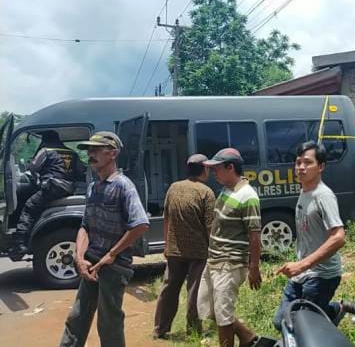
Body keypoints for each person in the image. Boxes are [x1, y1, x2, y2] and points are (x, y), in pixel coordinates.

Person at [60, 132, 149, 347]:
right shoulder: (93, 187)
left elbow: (140, 224)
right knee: (77, 318)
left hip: (113, 267)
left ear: (113, 154)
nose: (90, 154)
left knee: (109, 323)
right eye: (89, 150)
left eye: (96, 150)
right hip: (90, 264)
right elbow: (85, 226)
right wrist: (79, 258)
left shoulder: (123, 186)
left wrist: (111, 255)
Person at [272, 140, 346, 330]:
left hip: (321, 275)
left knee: (302, 327)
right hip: (302, 274)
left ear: (321, 166)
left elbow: (338, 236)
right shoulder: (305, 191)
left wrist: (302, 264)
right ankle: (331, 311)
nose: (301, 167)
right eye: (298, 162)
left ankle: (330, 313)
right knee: (280, 322)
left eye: (307, 162)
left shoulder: (323, 196)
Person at [197, 148, 263, 347]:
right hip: (214, 260)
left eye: (217, 168)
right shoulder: (226, 189)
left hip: (230, 263)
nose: (214, 173)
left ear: (230, 167)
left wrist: (254, 268)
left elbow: (254, 235)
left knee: (224, 317)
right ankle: (247, 337)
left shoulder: (248, 196)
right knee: (208, 308)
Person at [153, 154, 215, 339]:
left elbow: (166, 218)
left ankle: (159, 330)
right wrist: (215, 251)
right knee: (195, 292)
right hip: (198, 251)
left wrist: (166, 244)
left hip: (174, 250)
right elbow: (210, 226)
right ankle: (194, 330)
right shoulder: (206, 193)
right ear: (204, 169)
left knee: (168, 290)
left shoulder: (174, 187)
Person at [13, 130, 85, 256]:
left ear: (45, 139)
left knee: (29, 207)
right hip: (68, 188)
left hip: (52, 187)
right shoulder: (71, 152)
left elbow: (33, 168)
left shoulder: (46, 150)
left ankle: (20, 243)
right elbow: (80, 171)